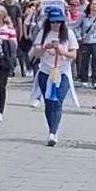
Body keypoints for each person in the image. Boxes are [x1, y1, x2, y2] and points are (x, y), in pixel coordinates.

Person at [30, 10, 78, 147]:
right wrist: (45, 48)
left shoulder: (69, 34)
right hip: (45, 71)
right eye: (53, 22)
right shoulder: (43, 33)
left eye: (58, 22)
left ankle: (53, 131)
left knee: (57, 101)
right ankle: (51, 127)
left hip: (62, 72)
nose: (55, 24)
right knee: (48, 102)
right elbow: (36, 54)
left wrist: (61, 50)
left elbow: (73, 55)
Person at [0, 4, 18, 122]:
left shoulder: (8, 29)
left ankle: (0, 110)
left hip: (3, 60)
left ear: (0, 15)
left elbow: (14, 45)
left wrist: (3, 42)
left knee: (0, 86)